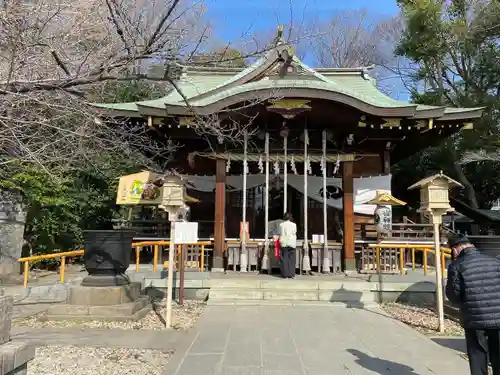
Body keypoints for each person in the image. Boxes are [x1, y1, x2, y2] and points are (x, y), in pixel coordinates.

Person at [446, 234, 500, 375]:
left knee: (478, 358)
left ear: (455, 249)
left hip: (474, 319)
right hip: (498, 318)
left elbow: (454, 296)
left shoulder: (456, 266)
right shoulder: (494, 261)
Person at [279, 212, 297, 279]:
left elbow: (280, 232)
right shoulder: (294, 225)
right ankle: (291, 274)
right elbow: (294, 232)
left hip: (284, 243)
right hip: (292, 243)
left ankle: (285, 275)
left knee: (284, 259)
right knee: (292, 259)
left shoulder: (281, 225)